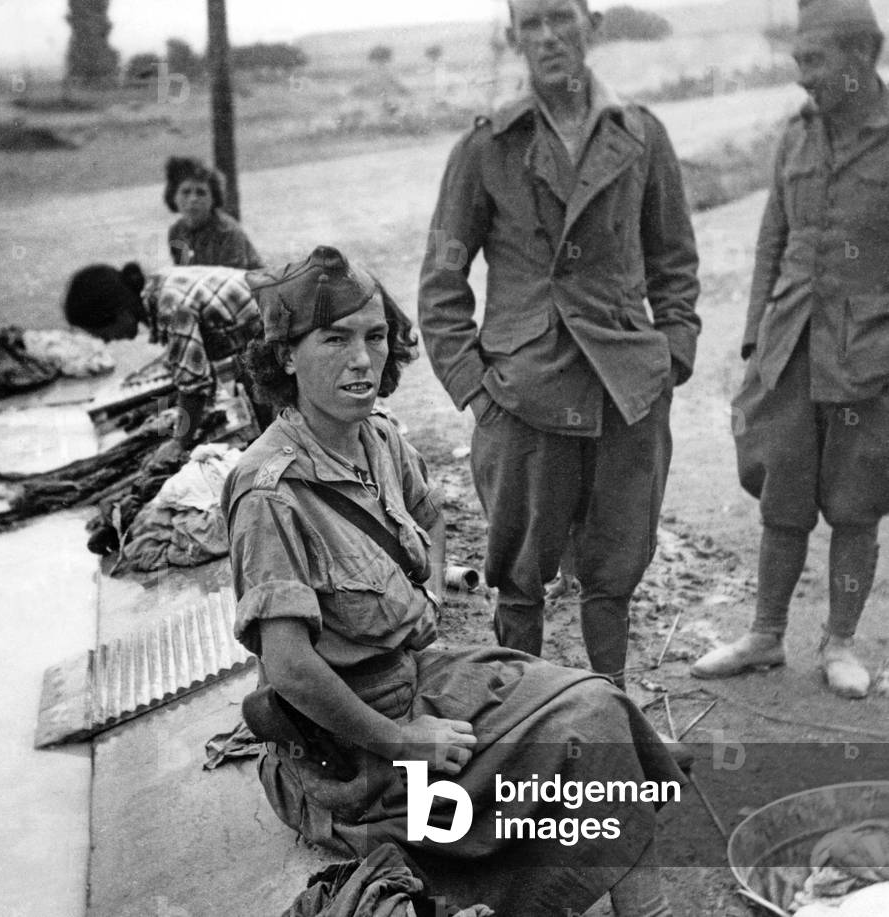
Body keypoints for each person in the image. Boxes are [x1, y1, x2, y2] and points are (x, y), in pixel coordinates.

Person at [224, 245, 684, 917]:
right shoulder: (268, 490)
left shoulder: (376, 438)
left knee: (599, 706)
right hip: (351, 752)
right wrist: (402, 740)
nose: (361, 359)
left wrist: (430, 593)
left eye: (375, 336)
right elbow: (289, 668)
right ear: (286, 356)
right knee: (581, 739)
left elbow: (429, 514)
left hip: (422, 676)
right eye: (334, 339)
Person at [417, 0, 701, 687]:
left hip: (625, 392)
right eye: (531, 24)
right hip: (522, 396)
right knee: (518, 579)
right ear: (513, 38)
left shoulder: (641, 134)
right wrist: (478, 394)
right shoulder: (486, 147)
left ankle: (612, 707)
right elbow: (441, 283)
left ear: (591, 27)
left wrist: (670, 357)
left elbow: (673, 262)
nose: (547, 36)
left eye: (560, 18)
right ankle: (524, 724)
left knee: (614, 571)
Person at [692, 0, 889, 699]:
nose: (801, 78)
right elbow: (770, 241)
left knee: (855, 504)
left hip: (868, 357)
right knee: (782, 495)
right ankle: (764, 634)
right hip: (789, 347)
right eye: (796, 60)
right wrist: (753, 340)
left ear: (861, 54)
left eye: (815, 61)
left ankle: (838, 641)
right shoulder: (794, 136)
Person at [62, 261, 271, 452]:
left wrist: (178, 443)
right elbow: (195, 368)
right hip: (263, 324)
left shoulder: (171, 308)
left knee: (275, 418)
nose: (108, 341)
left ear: (119, 314)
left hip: (281, 323)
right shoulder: (155, 288)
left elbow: (194, 387)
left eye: (104, 333)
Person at [164, 156, 264, 270]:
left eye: (201, 193)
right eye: (185, 192)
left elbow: (233, 279)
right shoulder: (176, 232)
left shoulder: (227, 231)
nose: (193, 199)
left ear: (214, 198)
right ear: (173, 196)